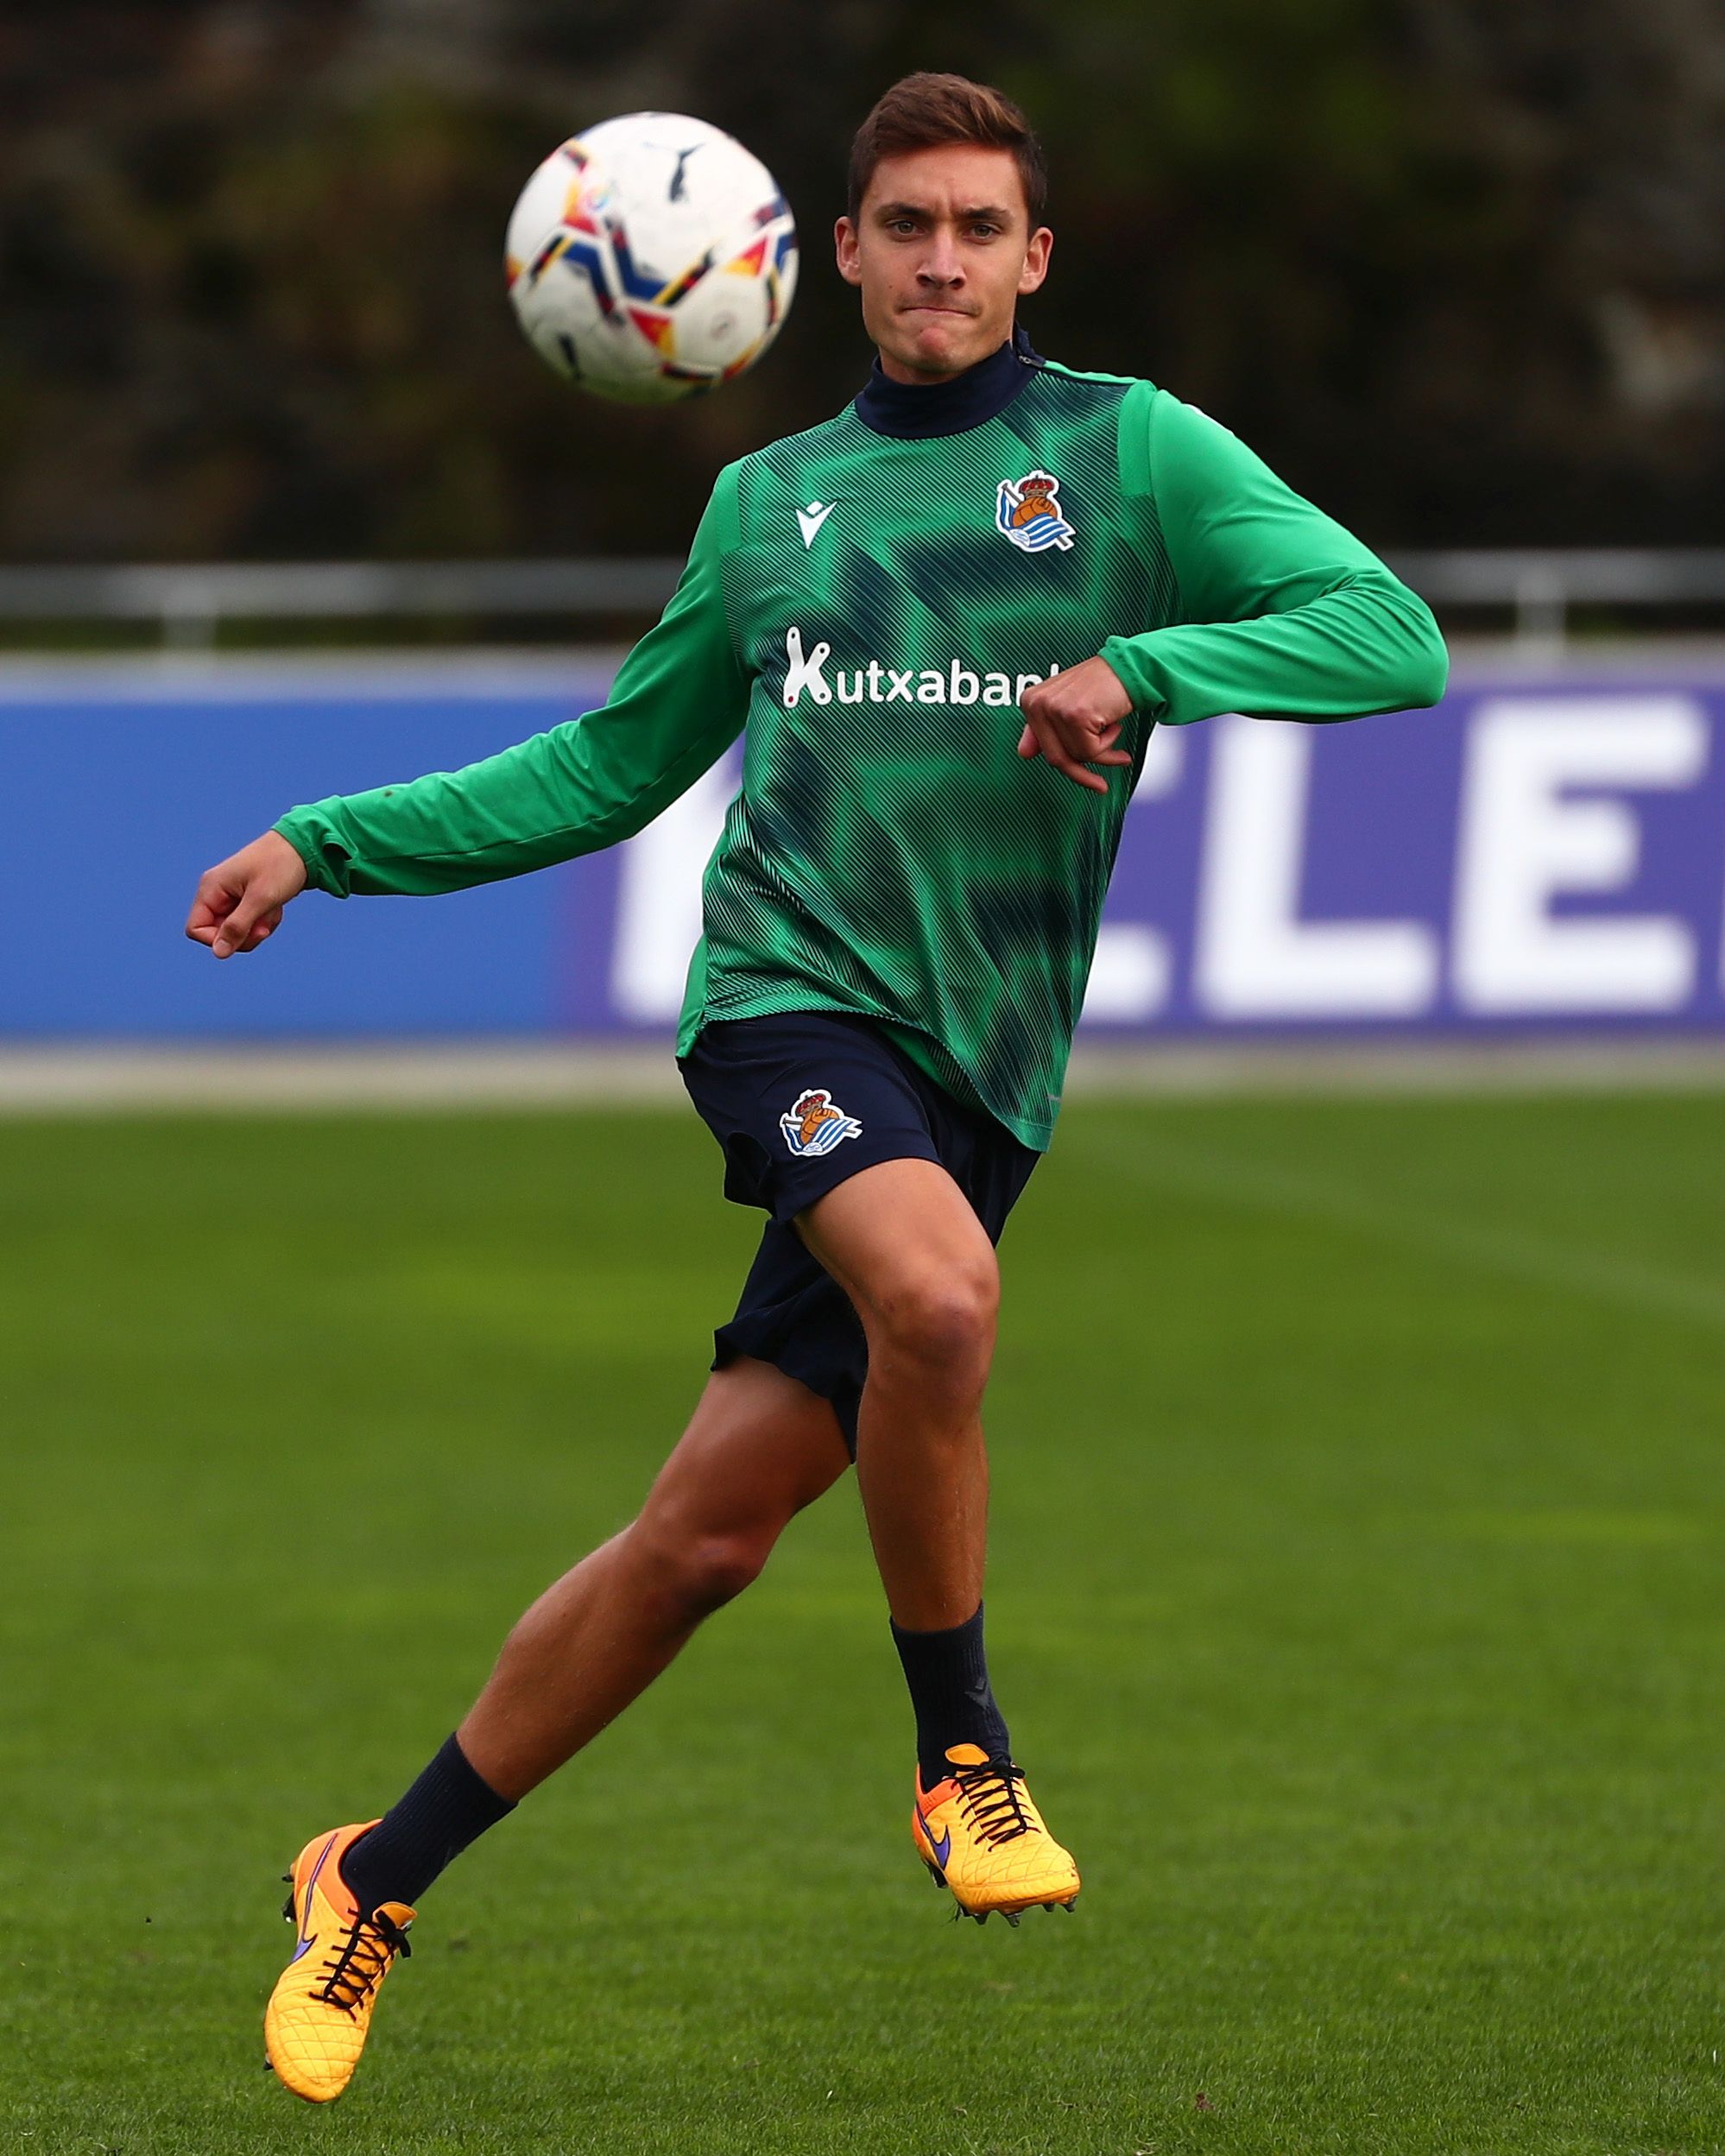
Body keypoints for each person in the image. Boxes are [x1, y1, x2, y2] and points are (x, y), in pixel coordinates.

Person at [187, 72, 1449, 2105]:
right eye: (905, 226)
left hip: (988, 1068)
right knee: (939, 1302)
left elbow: (1390, 636)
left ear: (1033, 256)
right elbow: (613, 767)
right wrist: (330, 838)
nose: (939, 257)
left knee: (701, 1540)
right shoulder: (769, 503)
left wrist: (1156, 666)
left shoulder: (1132, 456)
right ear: (834, 258)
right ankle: (963, 1755)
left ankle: (371, 1873)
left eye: (978, 226)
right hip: (786, 1011)